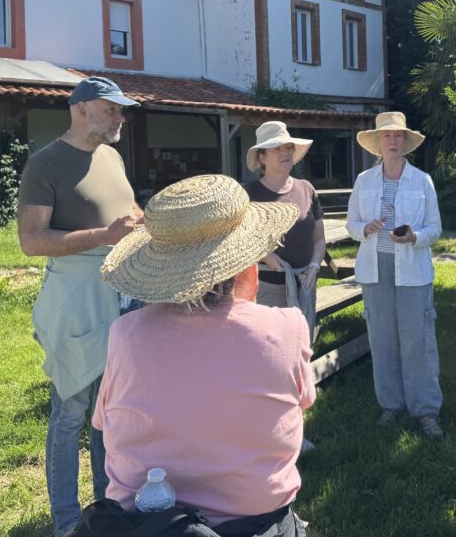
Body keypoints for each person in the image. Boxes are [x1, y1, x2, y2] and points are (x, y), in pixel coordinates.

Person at [94, 174, 314, 536]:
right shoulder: (287, 328)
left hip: (147, 525)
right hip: (256, 525)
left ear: (160, 271)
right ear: (247, 264)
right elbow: (302, 402)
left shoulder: (125, 334)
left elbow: (104, 424)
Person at [17, 76, 144, 537]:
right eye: (112, 109)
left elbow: (127, 214)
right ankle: (67, 521)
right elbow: (32, 241)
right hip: (74, 300)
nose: (120, 118)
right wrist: (104, 236)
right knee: (70, 412)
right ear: (83, 108)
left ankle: (106, 507)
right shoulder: (45, 164)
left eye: (121, 111)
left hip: (121, 292)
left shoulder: (110, 156)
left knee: (109, 409)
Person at [346, 111, 444, 439]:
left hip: (413, 269)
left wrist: (415, 237)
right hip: (375, 269)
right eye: (386, 136)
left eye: (398, 136)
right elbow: (352, 224)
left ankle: (426, 410)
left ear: (405, 142)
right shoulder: (364, 181)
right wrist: (365, 228)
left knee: (418, 339)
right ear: (377, 143)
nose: (393, 141)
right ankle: (391, 404)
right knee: (383, 338)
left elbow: (435, 228)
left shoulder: (422, 180)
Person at [242, 121, 326, 335]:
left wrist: (315, 266)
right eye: (277, 148)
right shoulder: (248, 194)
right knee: (268, 349)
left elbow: (318, 240)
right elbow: (238, 241)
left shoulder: (306, 189)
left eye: (288, 147)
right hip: (266, 288)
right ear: (262, 157)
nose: (285, 152)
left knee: (300, 349)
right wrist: (265, 255)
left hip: (304, 285)